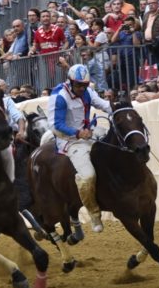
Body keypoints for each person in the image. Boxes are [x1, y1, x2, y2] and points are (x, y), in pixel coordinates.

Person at [47, 64, 113, 233]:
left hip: (90, 133)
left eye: (85, 85)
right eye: (79, 85)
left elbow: (104, 105)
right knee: (88, 175)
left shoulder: (88, 91)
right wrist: (77, 133)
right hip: (69, 140)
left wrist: (120, 109)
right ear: (70, 82)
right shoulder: (60, 96)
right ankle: (94, 213)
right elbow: (55, 125)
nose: (82, 89)